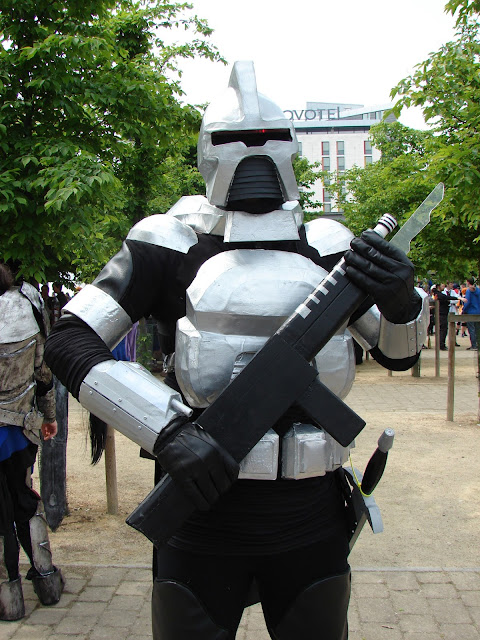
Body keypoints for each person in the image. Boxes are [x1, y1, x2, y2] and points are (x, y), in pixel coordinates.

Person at [45, 61, 428, 640]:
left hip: (310, 514)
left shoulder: (328, 246)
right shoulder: (169, 242)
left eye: (269, 137)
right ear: (208, 149)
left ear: (289, 145)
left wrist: (402, 302)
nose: (254, 152)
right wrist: (167, 431)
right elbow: (71, 337)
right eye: (234, 139)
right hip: (201, 517)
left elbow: (398, 352)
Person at [0, 263, 64, 621]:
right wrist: (49, 417)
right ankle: (47, 580)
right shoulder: (27, 304)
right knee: (23, 500)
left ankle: (9, 600)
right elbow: (43, 373)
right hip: (22, 431)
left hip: (17, 430)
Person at [431, 283, 458, 350]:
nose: (444, 287)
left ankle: (441, 344)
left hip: (444, 312)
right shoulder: (439, 294)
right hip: (442, 313)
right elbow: (446, 297)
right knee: (443, 329)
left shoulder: (440, 294)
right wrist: (457, 298)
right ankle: (441, 344)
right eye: (442, 286)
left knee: (443, 329)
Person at [463, 277, 480, 350]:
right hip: (478, 311)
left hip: (470, 312)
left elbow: (467, 301)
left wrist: (464, 310)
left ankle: (473, 345)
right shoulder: (478, 290)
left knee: (471, 329)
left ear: (468, 282)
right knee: (477, 329)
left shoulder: (468, 291)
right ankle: (478, 344)